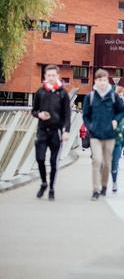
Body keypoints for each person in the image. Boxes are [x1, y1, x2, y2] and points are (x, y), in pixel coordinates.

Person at [83, 69, 124, 201]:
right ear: (96, 81)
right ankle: (95, 190)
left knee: (107, 163)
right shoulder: (90, 97)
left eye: (104, 80)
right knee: (96, 161)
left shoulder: (114, 96)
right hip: (95, 135)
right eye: (100, 80)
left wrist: (115, 120)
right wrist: (91, 127)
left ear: (107, 81)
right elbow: (86, 115)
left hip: (109, 135)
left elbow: (122, 110)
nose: (102, 82)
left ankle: (104, 186)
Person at [31, 65, 71, 201]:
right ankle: (44, 182)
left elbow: (67, 114)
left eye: (54, 75)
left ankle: (52, 188)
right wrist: (39, 114)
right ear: (45, 77)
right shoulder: (40, 92)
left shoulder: (63, 93)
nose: (51, 78)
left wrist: (67, 131)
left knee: (54, 162)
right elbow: (33, 111)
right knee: (40, 158)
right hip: (42, 130)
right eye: (49, 75)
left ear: (58, 76)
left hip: (56, 132)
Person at [110, 86, 124, 192]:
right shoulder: (123, 102)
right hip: (106, 136)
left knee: (114, 162)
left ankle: (114, 181)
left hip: (118, 133)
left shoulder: (123, 103)